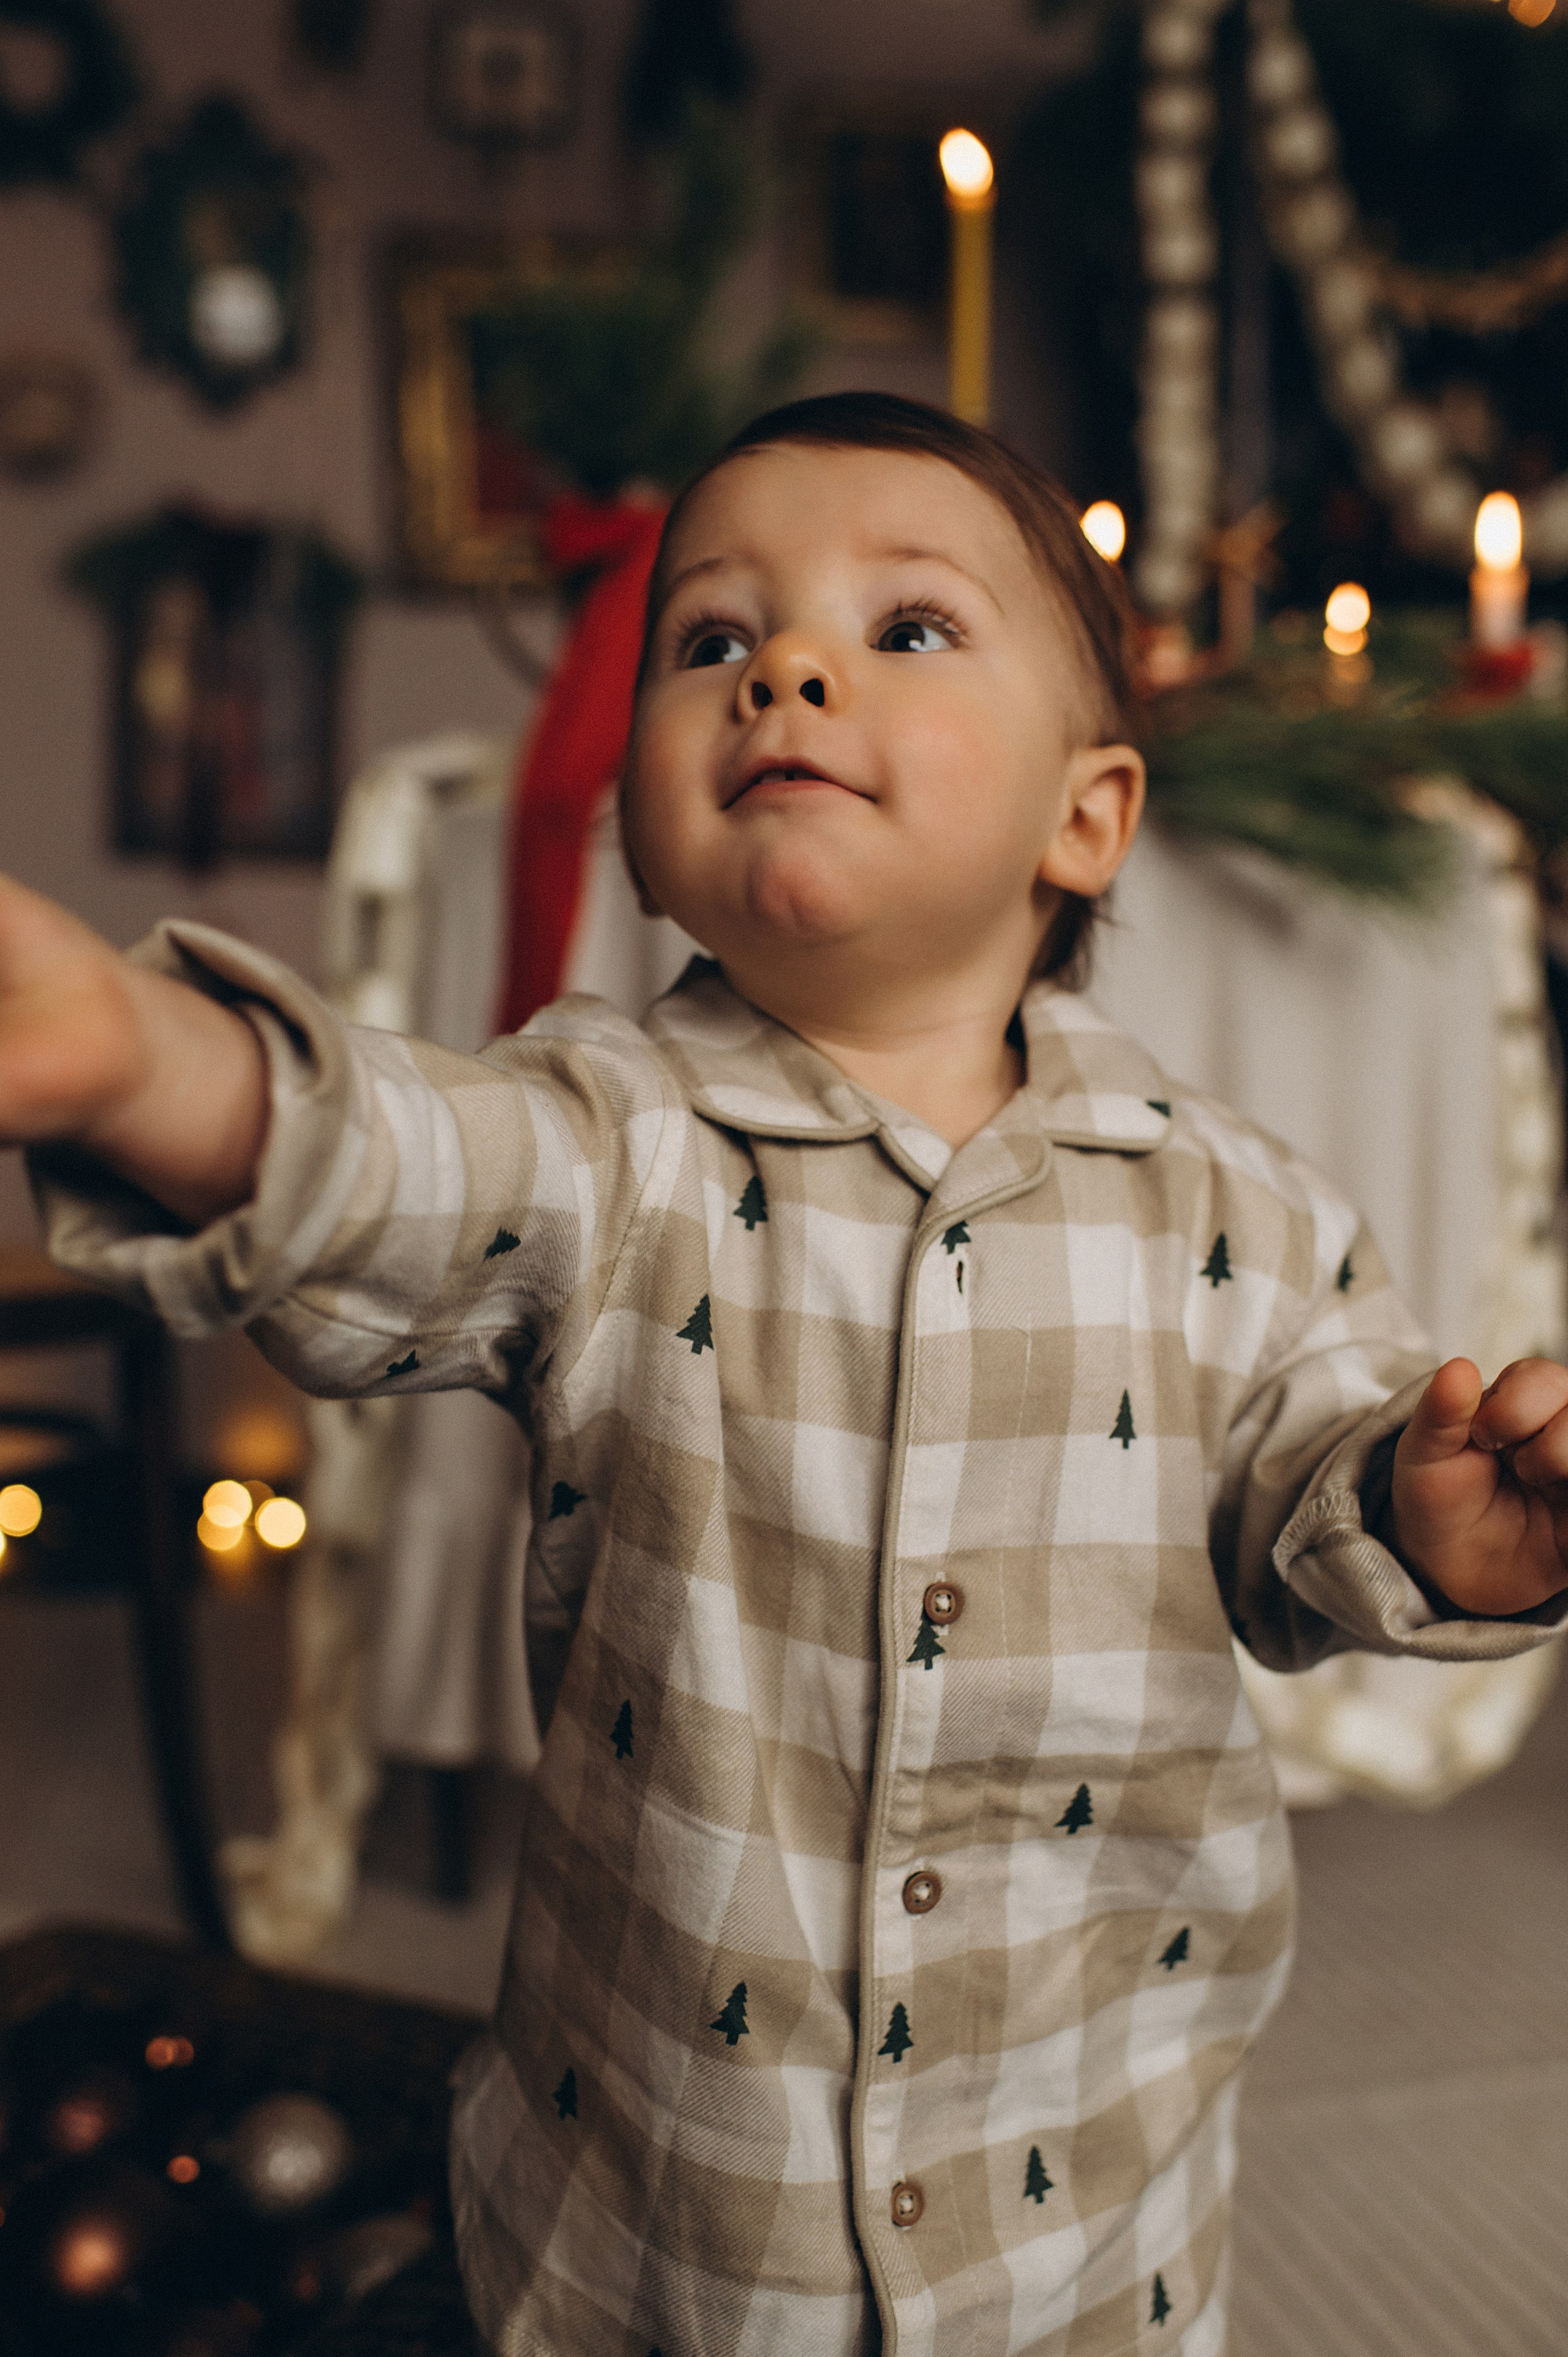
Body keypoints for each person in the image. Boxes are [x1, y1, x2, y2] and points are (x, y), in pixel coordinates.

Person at [4, 393, 1566, 2356]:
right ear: (643, 836)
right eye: (713, 642)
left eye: (905, 629)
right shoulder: (608, 1140)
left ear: (1087, 817)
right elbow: (403, 1169)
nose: (789, 670)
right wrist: (152, 1067)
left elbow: (1315, 1486)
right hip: (654, 2228)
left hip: (1078, 2223)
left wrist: (1442, 1526)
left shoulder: (1236, 1211)